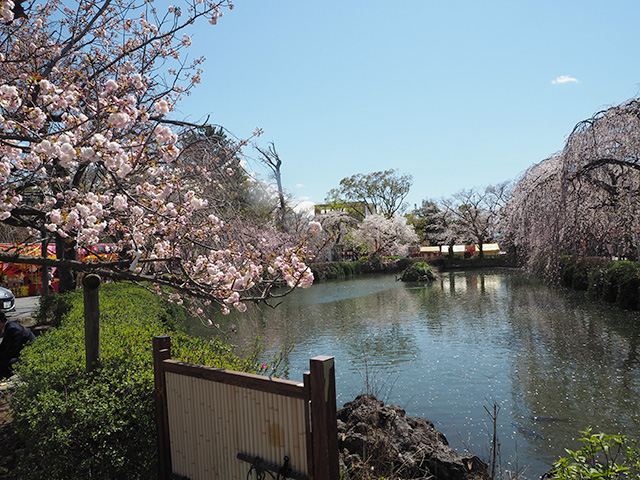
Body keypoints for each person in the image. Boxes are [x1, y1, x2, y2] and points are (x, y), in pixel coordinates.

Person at [0, 311, 36, 378]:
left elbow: (11, 352)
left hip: (28, 357)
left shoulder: (14, 329)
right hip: (19, 353)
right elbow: (3, 346)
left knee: (7, 363)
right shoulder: (8, 327)